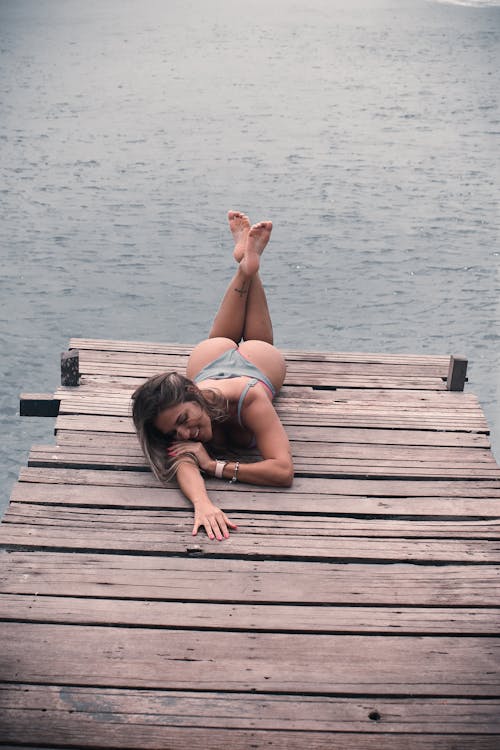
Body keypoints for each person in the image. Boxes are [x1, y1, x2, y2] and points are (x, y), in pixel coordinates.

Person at [132, 211, 293, 542]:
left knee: (261, 345)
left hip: (253, 366)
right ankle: (246, 263)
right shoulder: (174, 418)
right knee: (244, 305)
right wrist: (202, 504)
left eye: (184, 420)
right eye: (175, 430)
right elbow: (183, 461)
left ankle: (246, 264)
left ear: (193, 395)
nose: (184, 433)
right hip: (208, 363)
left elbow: (282, 471)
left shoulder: (249, 401)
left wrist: (215, 468)